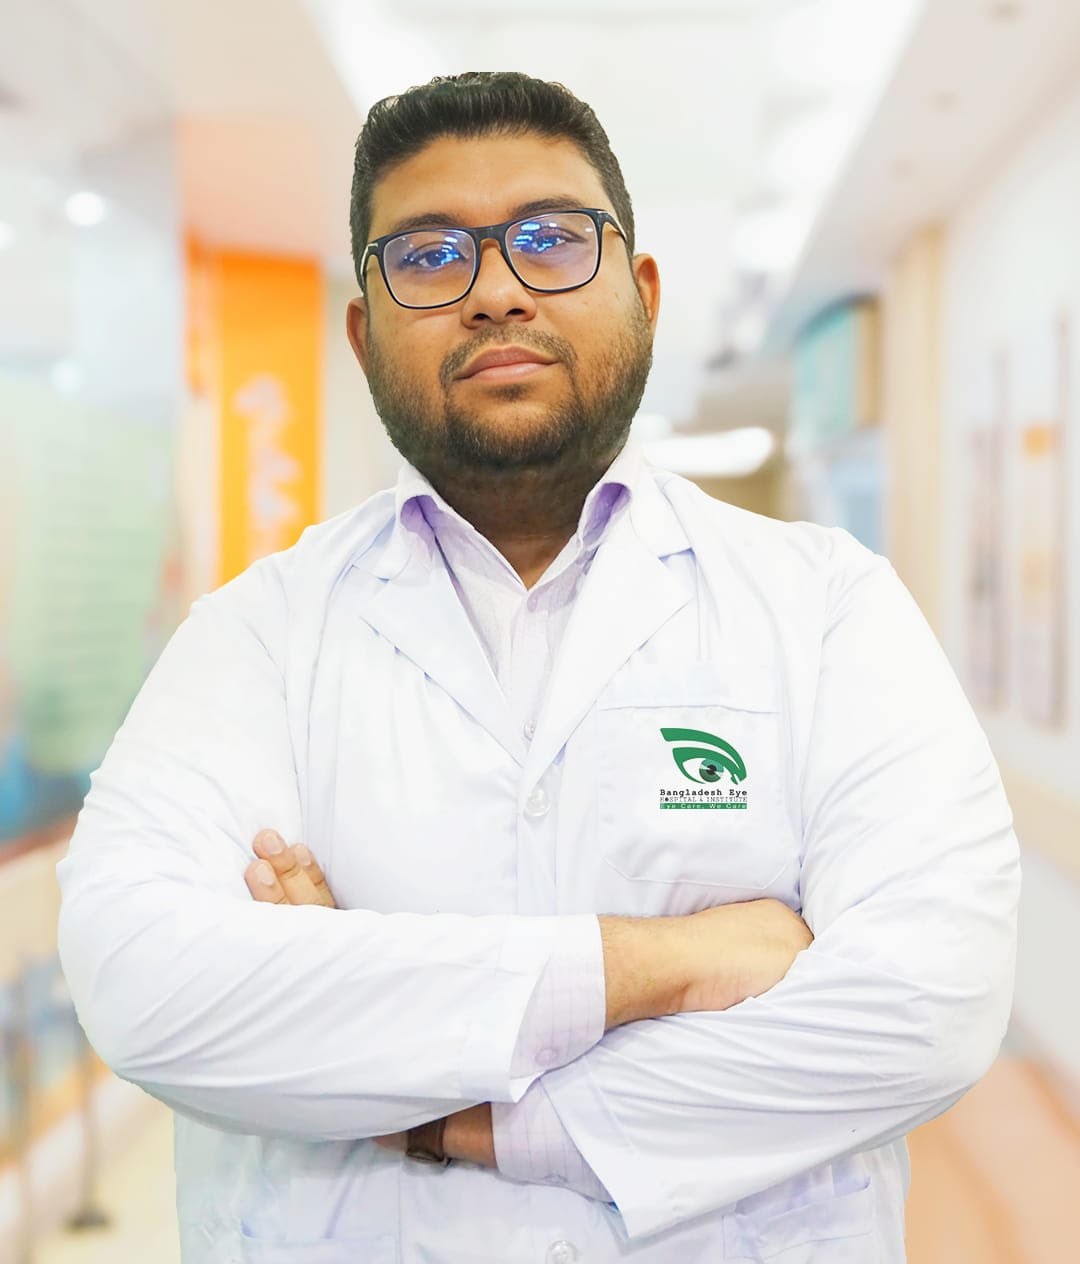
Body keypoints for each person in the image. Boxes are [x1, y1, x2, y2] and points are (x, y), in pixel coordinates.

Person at [55, 71, 1020, 1263]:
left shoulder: (827, 609)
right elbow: (147, 986)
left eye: (553, 239)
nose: (497, 290)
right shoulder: (257, 633)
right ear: (362, 334)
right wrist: (664, 963)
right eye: (427, 256)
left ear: (643, 295)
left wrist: (444, 1105)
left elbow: (926, 1006)